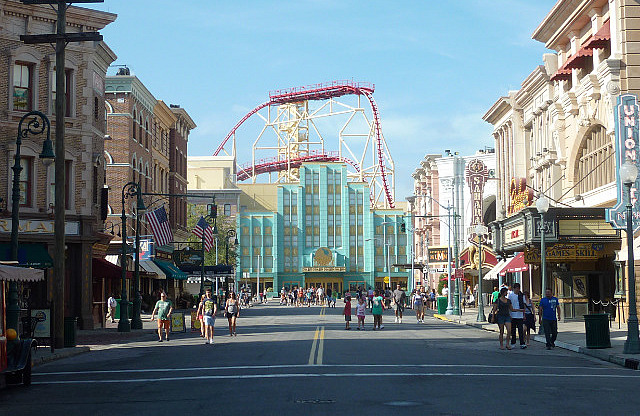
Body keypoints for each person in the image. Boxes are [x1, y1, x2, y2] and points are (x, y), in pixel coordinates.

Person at [507, 283, 526, 349]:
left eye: (519, 288)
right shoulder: (511, 295)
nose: (518, 290)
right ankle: (513, 342)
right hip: (513, 315)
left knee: (521, 330)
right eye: (516, 288)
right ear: (514, 288)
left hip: (520, 315)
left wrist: (524, 314)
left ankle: (522, 343)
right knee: (513, 330)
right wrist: (510, 314)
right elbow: (509, 305)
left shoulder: (521, 295)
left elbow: (523, 304)